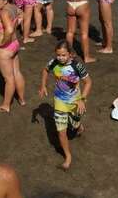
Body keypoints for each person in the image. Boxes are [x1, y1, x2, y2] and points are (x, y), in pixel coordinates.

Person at [39, 41, 92, 170]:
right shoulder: (54, 62)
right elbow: (45, 70)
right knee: (61, 132)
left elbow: (88, 82)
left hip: (75, 102)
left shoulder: (77, 66)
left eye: (63, 55)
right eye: (58, 55)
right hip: (60, 102)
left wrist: (82, 100)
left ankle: (78, 126)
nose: (60, 58)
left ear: (70, 54)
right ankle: (68, 156)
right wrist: (43, 85)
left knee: (74, 124)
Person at [0, 0, 26, 113]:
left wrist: (2, 43)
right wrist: (17, 23)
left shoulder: (4, 13)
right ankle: (21, 99)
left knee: (8, 79)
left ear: (5, 1)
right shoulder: (13, 7)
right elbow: (22, 14)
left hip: (5, 49)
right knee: (17, 72)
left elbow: (9, 30)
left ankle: (6, 105)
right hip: (15, 45)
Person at [62, 0, 94, 64]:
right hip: (82, 4)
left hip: (70, 4)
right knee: (84, 33)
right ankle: (86, 57)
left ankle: (69, 55)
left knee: (70, 32)